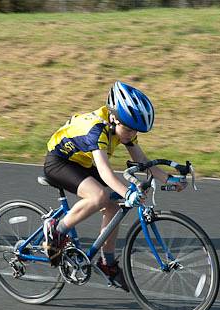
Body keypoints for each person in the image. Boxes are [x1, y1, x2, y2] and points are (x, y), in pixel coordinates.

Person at [42, 81, 187, 291]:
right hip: (60, 162)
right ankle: (56, 229)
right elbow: (104, 171)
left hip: (84, 162)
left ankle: (107, 263)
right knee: (99, 196)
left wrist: (169, 179)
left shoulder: (123, 127)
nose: (131, 135)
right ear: (113, 118)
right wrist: (128, 192)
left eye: (135, 131)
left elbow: (143, 162)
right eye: (128, 129)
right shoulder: (96, 130)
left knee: (113, 206)